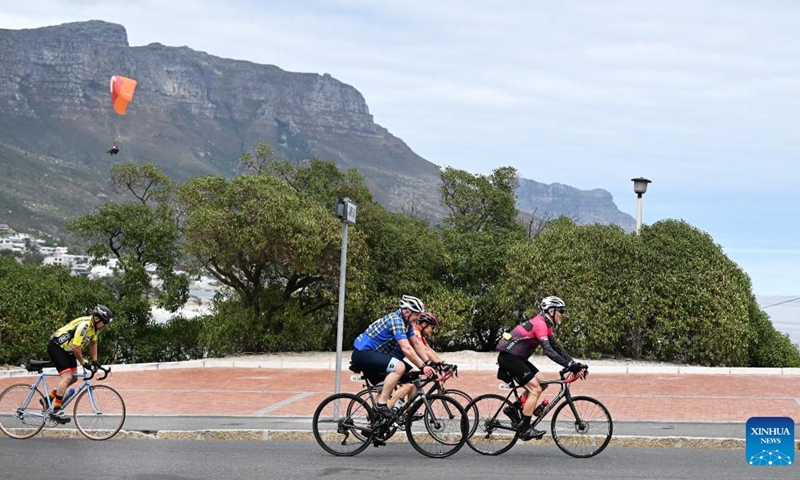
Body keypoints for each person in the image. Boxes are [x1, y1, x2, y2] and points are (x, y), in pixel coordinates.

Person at [495, 296, 587, 441]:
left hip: (518, 358)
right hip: (509, 358)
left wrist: (574, 363)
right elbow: (548, 351)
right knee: (535, 389)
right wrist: (569, 366)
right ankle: (525, 429)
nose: (562, 314)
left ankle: (513, 409)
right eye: (561, 311)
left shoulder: (546, 325)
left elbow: (557, 347)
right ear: (551, 311)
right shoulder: (540, 324)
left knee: (543, 383)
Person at [351, 295, 436, 418]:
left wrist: (428, 363)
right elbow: (406, 348)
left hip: (373, 355)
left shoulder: (407, 324)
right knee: (399, 367)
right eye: (416, 314)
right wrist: (423, 366)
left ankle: (374, 423)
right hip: (363, 353)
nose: (418, 318)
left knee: (412, 374)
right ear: (407, 312)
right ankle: (381, 405)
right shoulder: (396, 320)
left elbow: (416, 344)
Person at [46, 305, 113, 422]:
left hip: (68, 350)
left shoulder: (94, 328)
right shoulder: (85, 325)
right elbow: (76, 347)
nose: (105, 326)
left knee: (74, 378)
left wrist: (95, 362)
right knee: (67, 377)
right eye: (105, 323)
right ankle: (56, 410)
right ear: (97, 319)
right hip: (57, 346)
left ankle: (49, 398)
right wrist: (83, 363)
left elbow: (93, 344)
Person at [387, 311, 445, 412]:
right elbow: (424, 350)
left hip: (397, 360)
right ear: (424, 324)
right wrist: (442, 365)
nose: (433, 330)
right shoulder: (415, 331)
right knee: (408, 384)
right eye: (432, 327)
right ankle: (384, 411)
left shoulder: (420, 334)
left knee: (414, 379)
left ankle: (409, 411)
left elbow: (428, 348)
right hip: (389, 360)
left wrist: (442, 363)